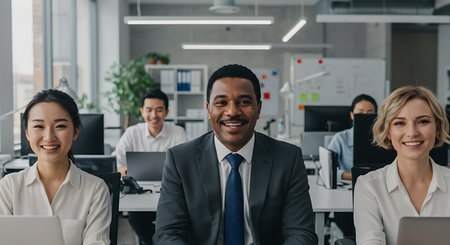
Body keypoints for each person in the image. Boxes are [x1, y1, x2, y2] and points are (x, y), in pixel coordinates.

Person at [154, 64, 317, 245]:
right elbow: (168, 233)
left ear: (259, 109)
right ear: (209, 110)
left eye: (244, 102)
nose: (232, 112)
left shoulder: (288, 159)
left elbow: (300, 232)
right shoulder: (180, 160)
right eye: (221, 103)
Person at [0, 89, 111, 245]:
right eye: (39, 126)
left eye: (60, 126)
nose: (49, 137)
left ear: (75, 131)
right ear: (27, 133)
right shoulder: (8, 188)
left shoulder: (95, 189)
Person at [354, 86, 450, 245]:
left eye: (423, 121)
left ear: (438, 129)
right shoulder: (369, 186)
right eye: (400, 123)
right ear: (387, 132)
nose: (412, 132)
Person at [113, 88, 187, 245]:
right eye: (149, 110)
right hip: (140, 194)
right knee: (136, 218)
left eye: (159, 110)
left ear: (166, 112)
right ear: (141, 111)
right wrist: (124, 170)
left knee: (173, 221)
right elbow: (116, 160)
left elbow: (185, 165)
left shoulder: (178, 132)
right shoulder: (132, 132)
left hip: (169, 193)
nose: (154, 115)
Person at [328, 94, 377, 181]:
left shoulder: (384, 138)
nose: (364, 117)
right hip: (349, 185)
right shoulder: (341, 138)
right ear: (352, 115)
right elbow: (327, 170)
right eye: (360, 113)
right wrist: (354, 176)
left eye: (370, 113)